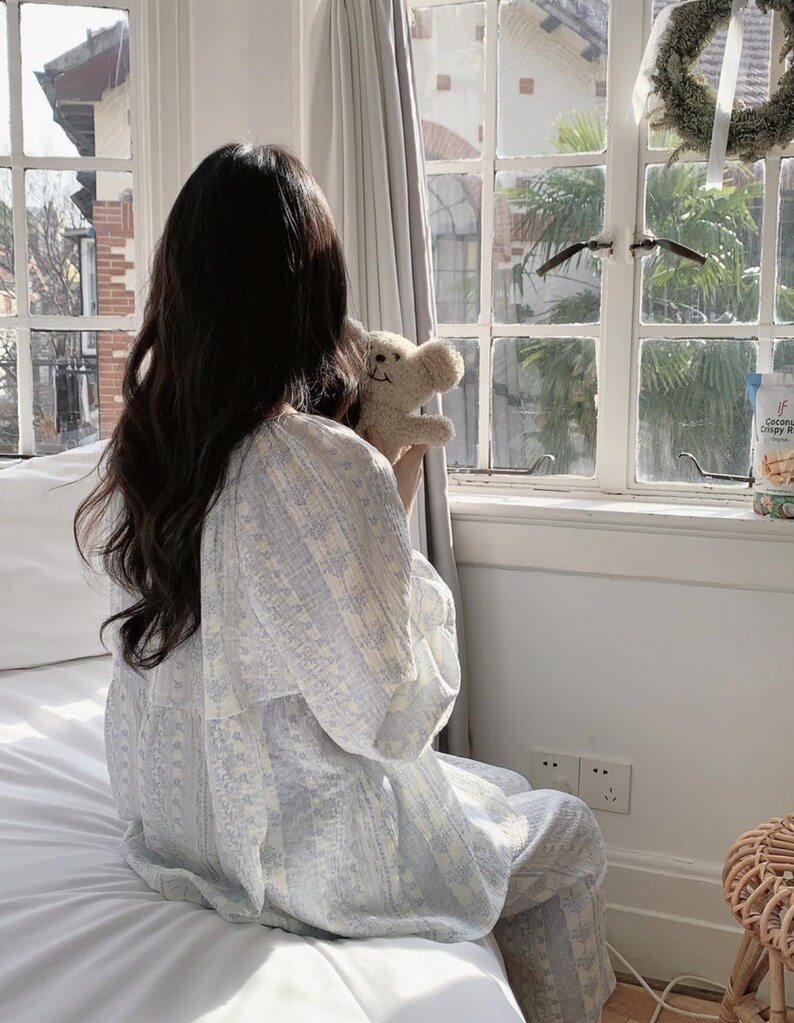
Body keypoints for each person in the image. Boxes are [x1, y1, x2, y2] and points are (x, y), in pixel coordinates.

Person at [75, 143, 615, 1022]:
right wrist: (378, 498)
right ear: (310, 295)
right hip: (302, 855)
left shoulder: (150, 447)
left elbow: (271, 613)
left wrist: (378, 491)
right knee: (572, 831)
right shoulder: (321, 465)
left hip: (180, 823)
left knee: (505, 793)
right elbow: (394, 717)